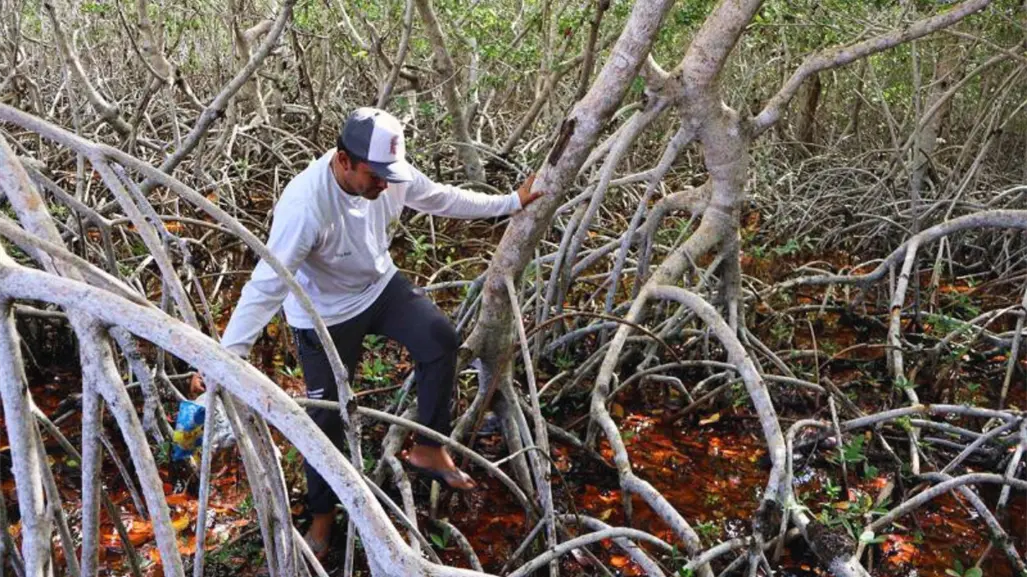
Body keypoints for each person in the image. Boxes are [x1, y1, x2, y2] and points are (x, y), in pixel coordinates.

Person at [213, 107, 542, 556]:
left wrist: (510, 202)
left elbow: (441, 197)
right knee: (326, 417)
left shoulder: (391, 175)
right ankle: (323, 516)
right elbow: (267, 285)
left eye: (390, 174)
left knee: (439, 340)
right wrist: (226, 356)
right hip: (322, 313)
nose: (385, 184)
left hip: (379, 287)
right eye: (375, 174)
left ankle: (428, 448)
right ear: (343, 160)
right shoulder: (305, 205)